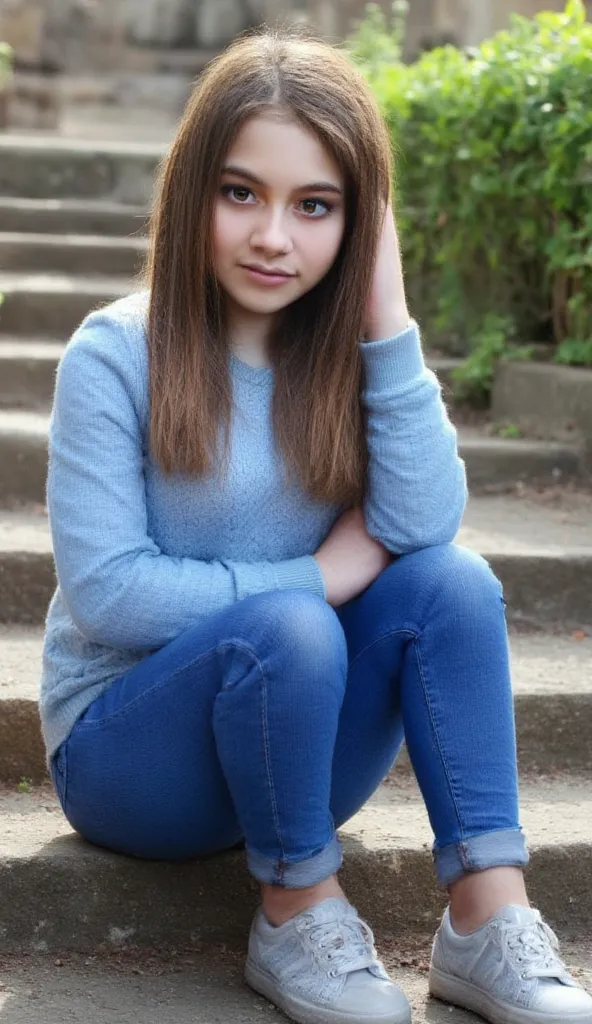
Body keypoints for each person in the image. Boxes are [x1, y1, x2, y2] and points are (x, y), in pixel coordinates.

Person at [40, 28, 592, 1024]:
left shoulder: (349, 364)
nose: (271, 238)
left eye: (316, 206)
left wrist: (386, 313)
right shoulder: (114, 354)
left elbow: (423, 524)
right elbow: (108, 591)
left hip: (292, 738)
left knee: (454, 583)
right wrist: (315, 578)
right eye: (240, 192)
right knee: (292, 624)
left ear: (358, 221)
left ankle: (485, 915)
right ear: (191, 189)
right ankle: (295, 908)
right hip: (129, 757)